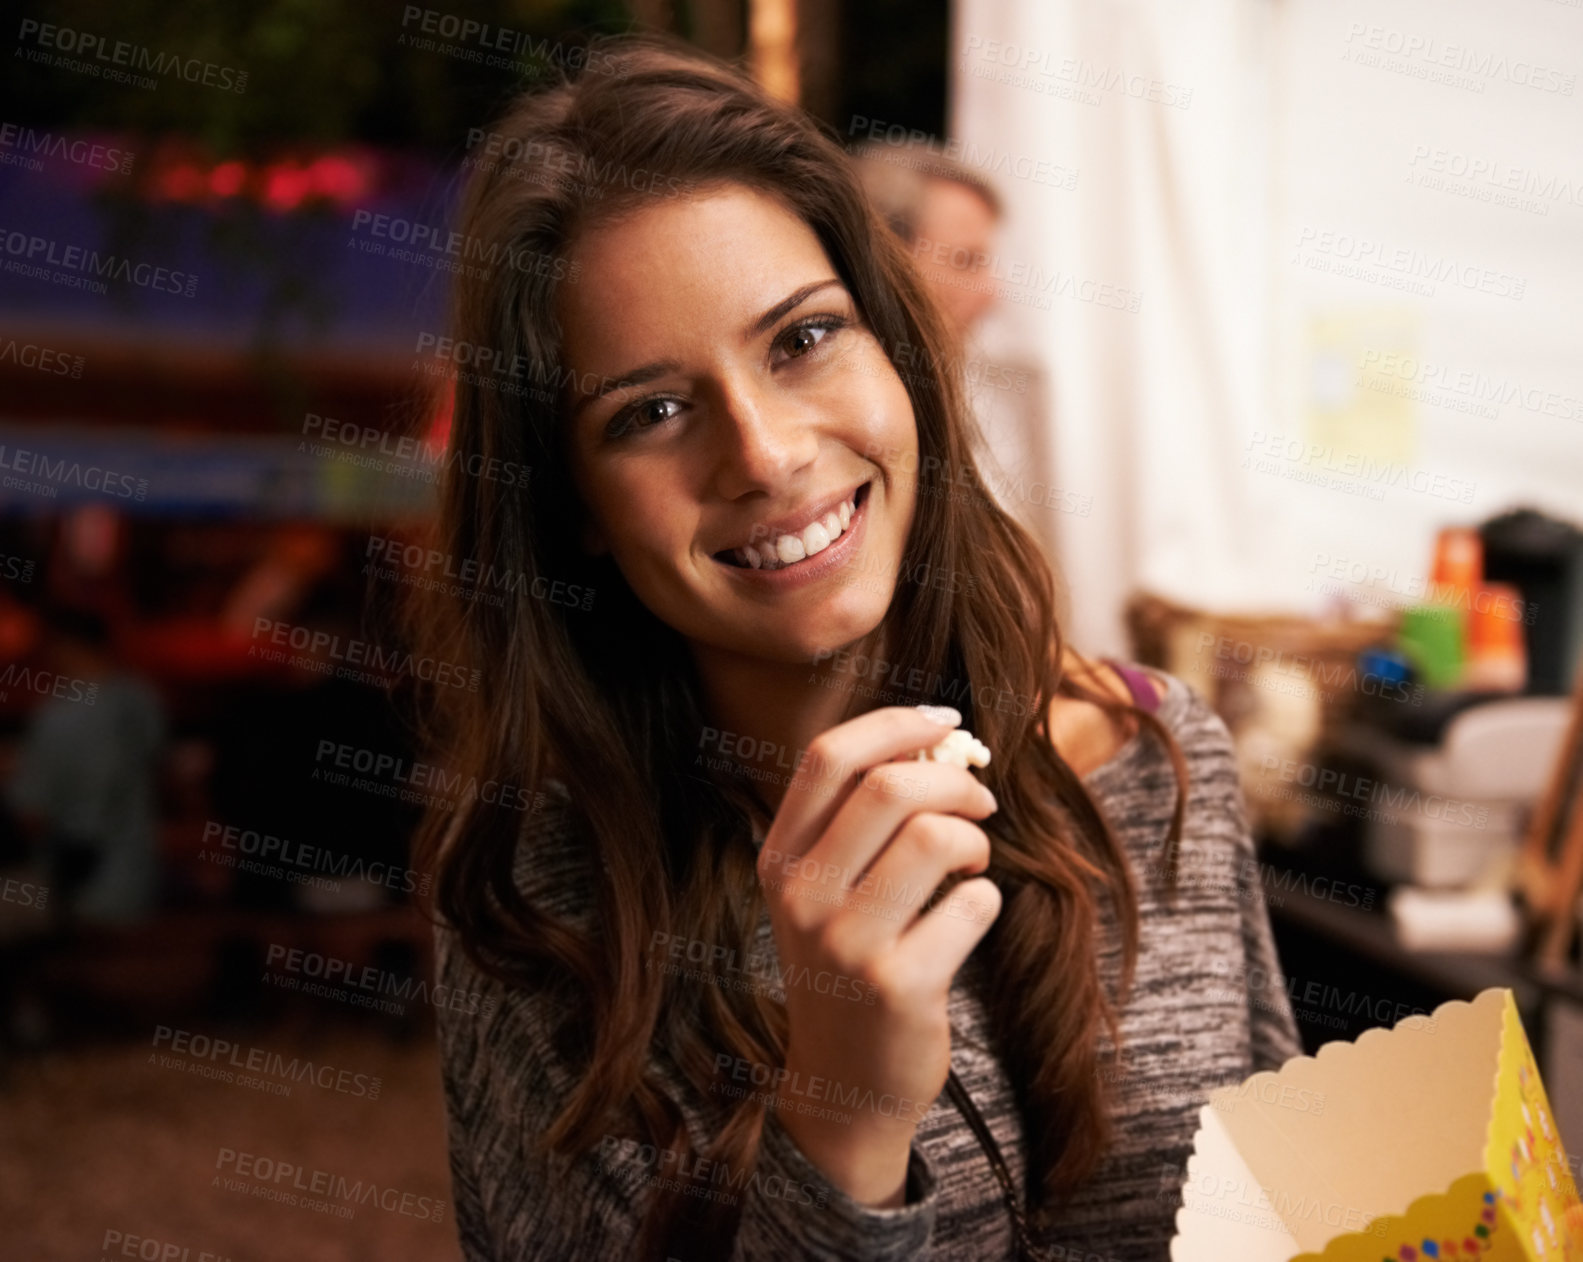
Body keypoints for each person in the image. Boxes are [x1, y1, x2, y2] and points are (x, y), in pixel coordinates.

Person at [409, 35, 1299, 1261]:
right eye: (650, 412)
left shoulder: (1153, 754)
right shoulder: (533, 903)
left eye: (801, 338)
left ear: (898, 349)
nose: (765, 453)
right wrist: (839, 1118)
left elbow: (1308, 1214)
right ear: (575, 508)